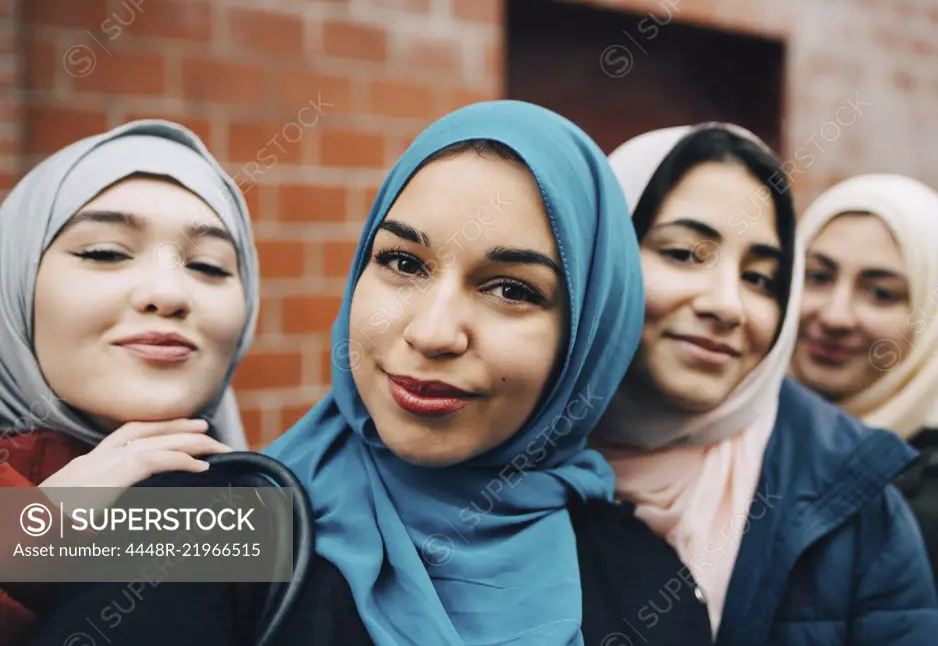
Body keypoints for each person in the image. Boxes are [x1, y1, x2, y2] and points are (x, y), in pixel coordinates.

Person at [27, 101, 715, 646]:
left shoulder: (643, 583)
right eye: (403, 263)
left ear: (590, 335)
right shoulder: (211, 523)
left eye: (511, 289)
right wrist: (26, 530)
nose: (432, 332)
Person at [590, 124, 938, 645]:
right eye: (685, 254)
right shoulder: (509, 458)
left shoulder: (854, 501)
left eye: (760, 279)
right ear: (606, 254)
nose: (727, 305)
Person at [0, 120, 258, 644]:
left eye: (208, 266)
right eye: (105, 252)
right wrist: (33, 532)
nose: (168, 293)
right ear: (15, 284)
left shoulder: (255, 509)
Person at [791, 174, 938, 646]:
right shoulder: (776, 447)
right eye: (817, 276)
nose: (835, 315)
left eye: (881, 292)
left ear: (935, 317)